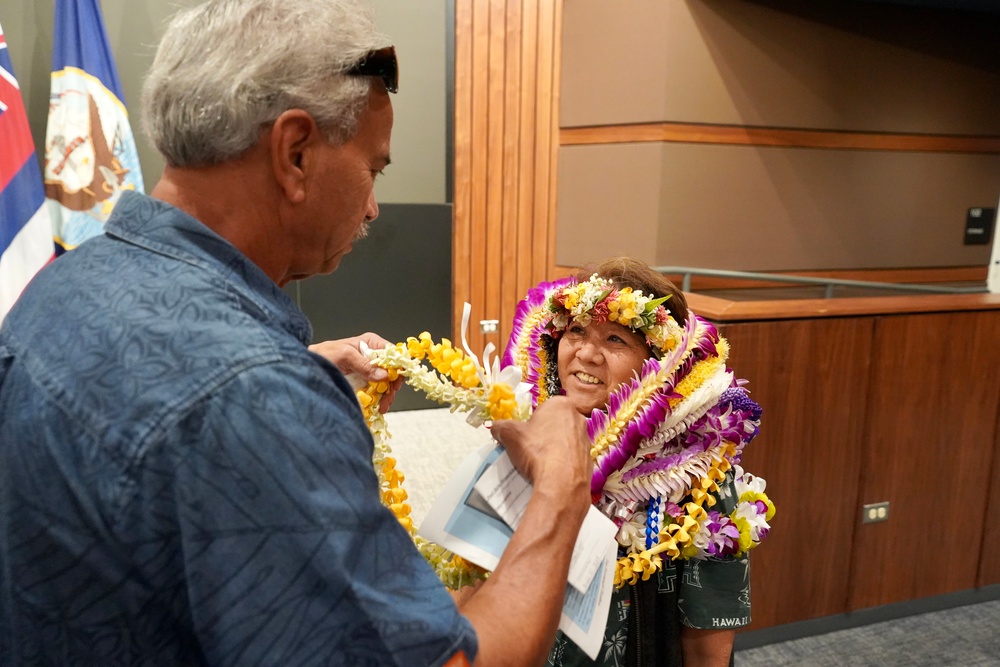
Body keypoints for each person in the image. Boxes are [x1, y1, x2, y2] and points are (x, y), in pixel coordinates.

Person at [0, 1, 591, 665]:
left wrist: (285, 371)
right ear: (296, 152)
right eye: (375, 167)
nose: (372, 206)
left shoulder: (58, 288)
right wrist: (561, 488)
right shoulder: (257, 395)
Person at [501, 257, 773, 667]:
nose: (587, 354)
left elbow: (707, 648)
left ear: (659, 365)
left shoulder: (699, 477)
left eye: (615, 340)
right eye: (576, 330)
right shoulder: (524, 440)